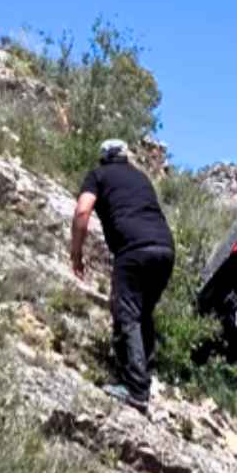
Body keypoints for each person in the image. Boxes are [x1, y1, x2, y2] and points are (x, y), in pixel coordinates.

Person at [70, 139, 175, 417]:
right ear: (126, 157)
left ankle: (136, 391)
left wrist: (76, 253)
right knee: (143, 314)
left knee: (127, 313)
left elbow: (83, 210)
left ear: (103, 158)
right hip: (165, 249)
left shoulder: (99, 175)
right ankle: (140, 377)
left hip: (134, 250)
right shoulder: (140, 177)